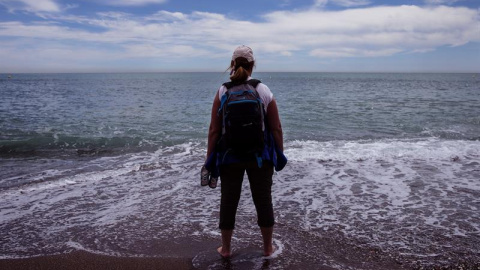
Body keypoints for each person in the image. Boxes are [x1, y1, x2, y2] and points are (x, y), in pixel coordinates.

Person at [205, 45, 285, 258]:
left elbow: (214, 130)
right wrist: (280, 153)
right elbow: (276, 128)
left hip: (230, 157)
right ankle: (268, 249)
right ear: (252, 65)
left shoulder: (223, 91)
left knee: (229, 200)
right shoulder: (263, 90)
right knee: (263, 200)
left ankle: (226, 249)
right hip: (260, 157)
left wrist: (209, 158)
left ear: (232, 64)